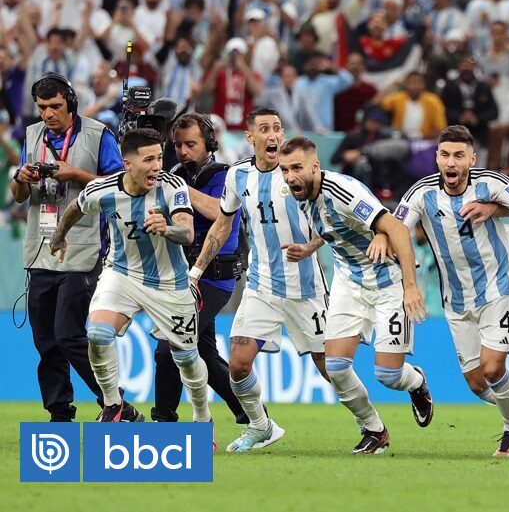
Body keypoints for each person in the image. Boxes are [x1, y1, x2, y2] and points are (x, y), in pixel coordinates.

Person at [393, 125, 509, 457]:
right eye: (445, 155)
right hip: (456, 298)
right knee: (477, 383)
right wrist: (406, 278)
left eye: (459, 156)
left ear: (471, 159)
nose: (451, 162)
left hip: (498, 286)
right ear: (437, 158)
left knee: (493, 368)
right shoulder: (421, 193)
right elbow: (395, 228)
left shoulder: (490, 183)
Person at [277, 136, 434, 453]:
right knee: (335, 368)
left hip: (387, 282)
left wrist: (410, 286)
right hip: (349, 282)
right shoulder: (301, 194)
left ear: (315, 167)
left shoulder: (343, 190)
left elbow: (397, 228)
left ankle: (416, 381)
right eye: (284, 170)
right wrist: (309, 247)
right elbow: (333, 227)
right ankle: (374, 430)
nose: (290, 176)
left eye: (296, 168)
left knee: (388, 375)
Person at [190, 107, 328, 453]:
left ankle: (371, 425)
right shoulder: (238, 176)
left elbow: (328, 220)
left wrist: (310, 247)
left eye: (278, 128)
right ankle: (261, 426)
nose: (273, 135)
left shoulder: (297, 174)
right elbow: (223, 225)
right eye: (264, 129)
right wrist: (196, 271)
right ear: (249, 137)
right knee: (238, 363)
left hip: (306, 287)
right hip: (261, 284)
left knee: (332, 369)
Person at [49, 128, 210, 425]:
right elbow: (76, 207)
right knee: (97, 334)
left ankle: (202, 417)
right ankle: (114, 405)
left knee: (186, 359)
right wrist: (59, 235)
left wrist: (167, 228)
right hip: (122, 274)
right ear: (127, 164)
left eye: (159, 158)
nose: (157, 166)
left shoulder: (172, 186)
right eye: (149, 160)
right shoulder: (103, 190)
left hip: (170, 283)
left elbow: (187, 233)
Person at [11, 72, 127, 422]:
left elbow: (122, 186)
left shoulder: (98, 134)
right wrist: (20, 179)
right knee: (46, 341)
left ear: (71, 104)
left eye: (55, 106)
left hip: (83, 249)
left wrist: (76, 175)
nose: (48, 114)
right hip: (41, 251)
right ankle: (59, 413)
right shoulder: (32, 134)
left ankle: (115, 402)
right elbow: (19, 196)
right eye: (42, 107)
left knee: (68, 335)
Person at [152, 114, 247, 425]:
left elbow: (219, 212)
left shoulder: (225, 175)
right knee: (205, 354)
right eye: (178, 145)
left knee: (170, 346)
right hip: (184, 278)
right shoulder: (177, 174)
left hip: (214, 278)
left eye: (191, 144)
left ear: (209, 143)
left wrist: (178, 187)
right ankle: (253, 415)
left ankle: (164, 420)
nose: (183, 151)